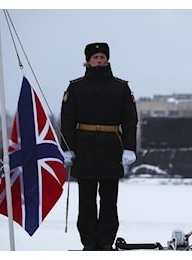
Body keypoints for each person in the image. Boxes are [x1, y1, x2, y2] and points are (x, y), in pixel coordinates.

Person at [60, 42, 138, 251]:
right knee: (86, 200)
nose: (99, 60)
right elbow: (67, 121)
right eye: (96, 57)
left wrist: (129, 148)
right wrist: (66, 148)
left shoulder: (120, 87)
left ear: (107, 59)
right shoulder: (75, 87)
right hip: (84, 147)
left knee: (109, 200)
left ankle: (105, 242)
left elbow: (130, 120)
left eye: (103, 57)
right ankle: (88, 243)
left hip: (111, 146)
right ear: (88, 60)